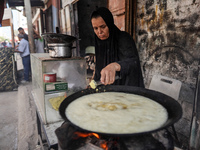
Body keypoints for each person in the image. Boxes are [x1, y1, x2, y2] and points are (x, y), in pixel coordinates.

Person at [90, 7, 144, 87]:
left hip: (127, 89)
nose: (99, 32)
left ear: (110, 24)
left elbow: (133, 63)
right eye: (95, 28)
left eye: (103, 27)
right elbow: (99, 68)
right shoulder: (99, 42)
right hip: (108, 90)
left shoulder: (123, 38)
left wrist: (115, 66)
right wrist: (94, 82)